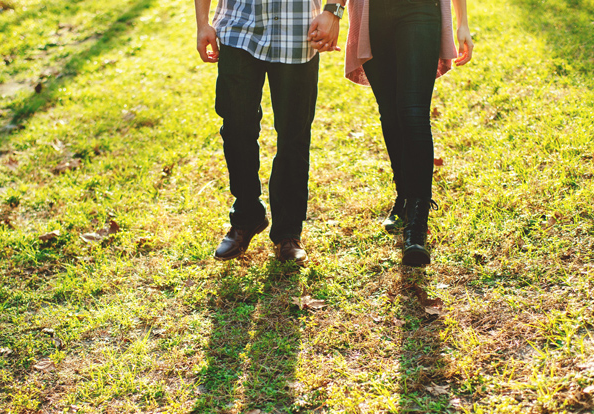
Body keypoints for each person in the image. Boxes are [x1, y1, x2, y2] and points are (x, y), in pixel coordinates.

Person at [310, 0, 473, 266]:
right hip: (373, 14)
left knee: (413, 112)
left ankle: (417, 224)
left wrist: (463, 22)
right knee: (391, 111)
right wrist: (334, 9)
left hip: (419, 10)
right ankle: (404, 197)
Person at [195, 0, 346, 265]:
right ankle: (247, 215)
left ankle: (288, 232)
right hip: (238, 27)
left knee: (294, 136)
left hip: (297, 32)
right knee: (236, 128)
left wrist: (333, 10)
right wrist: (202, 22)